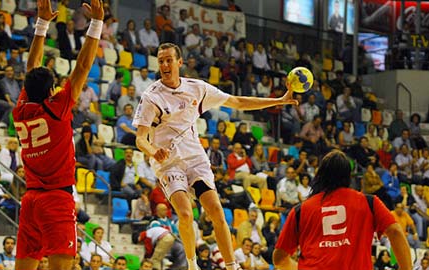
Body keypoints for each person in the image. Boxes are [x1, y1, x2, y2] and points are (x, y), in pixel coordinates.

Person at [134, 42, 298, 270]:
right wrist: (154, 151)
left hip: (195, 159)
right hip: (168, 163)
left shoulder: (197, 88)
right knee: (184, 213)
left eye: (169, 60)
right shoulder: (151, 96)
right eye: (161, 61)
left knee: (217, 212)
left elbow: (237, 102)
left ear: (179, 63)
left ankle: (231, 267)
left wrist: (279, 101)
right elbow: (140, 139)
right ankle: (192, 264)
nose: (164, 65)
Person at [12, 0, 104, 269]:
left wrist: (41, 26)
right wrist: (96, 22)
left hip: (30, 200)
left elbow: (32, 69)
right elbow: (83, 67)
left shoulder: (21, 110)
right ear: (51, 91)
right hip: (56, 199)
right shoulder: (57, 109)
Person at [273, 150, 412, 270]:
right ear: (349, 176)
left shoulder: (301, 210)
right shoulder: (369, 203)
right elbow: (395, 232)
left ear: (320, 175)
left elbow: (279, 259)